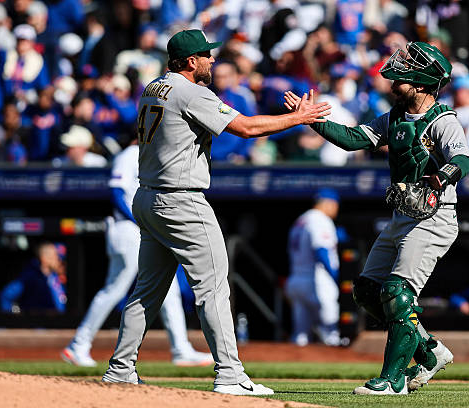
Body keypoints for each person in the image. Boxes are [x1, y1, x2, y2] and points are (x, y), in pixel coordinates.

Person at [101, 29, 330, 395]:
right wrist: (298, 119)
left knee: (147, 290)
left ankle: (121, 368)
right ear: (191, 61)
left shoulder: (152, 87)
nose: (212, 60)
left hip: (148, 197)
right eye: (207, 55)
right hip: (181, 199)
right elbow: (246, 127)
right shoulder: (191, 91)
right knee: (213, 287)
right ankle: (230, 374)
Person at [285, 41, 469, 395]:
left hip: (434, 216)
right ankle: (429, 352)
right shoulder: (395, 116)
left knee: (398, 291)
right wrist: (313, 120)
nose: (395, 75)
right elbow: (353, 138)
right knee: (369, 291)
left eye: (406, 70)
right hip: (402, 215)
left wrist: (442, 176)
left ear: (420, 81)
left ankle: (393, 380)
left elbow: (462, 159)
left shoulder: (444, 120)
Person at [61, 136, 214, 368]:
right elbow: (115, 192)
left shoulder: (144, 155)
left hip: (141, 230)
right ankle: (78, 344)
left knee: (169, 289)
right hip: (128, 229)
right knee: (115, 289)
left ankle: (181, 349)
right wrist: (140, 219)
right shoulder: (129, 155)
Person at [286, 188, 341, 347]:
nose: (336, 209)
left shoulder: (301, 219)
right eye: (336, 205)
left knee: (300, 336)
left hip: (296, 279)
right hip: (317, 280)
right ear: (328, 204)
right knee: (331, 334)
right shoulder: (320, 220)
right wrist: (335, 276)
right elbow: (321, 250)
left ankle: (293, 367)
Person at [0, 242, 66, 314]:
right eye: (55, 256)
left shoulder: (55, 277)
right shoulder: (29, 278)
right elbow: (5, 297)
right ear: (44, 258)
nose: (58, 259)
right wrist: (17, 315)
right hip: (37, 323)